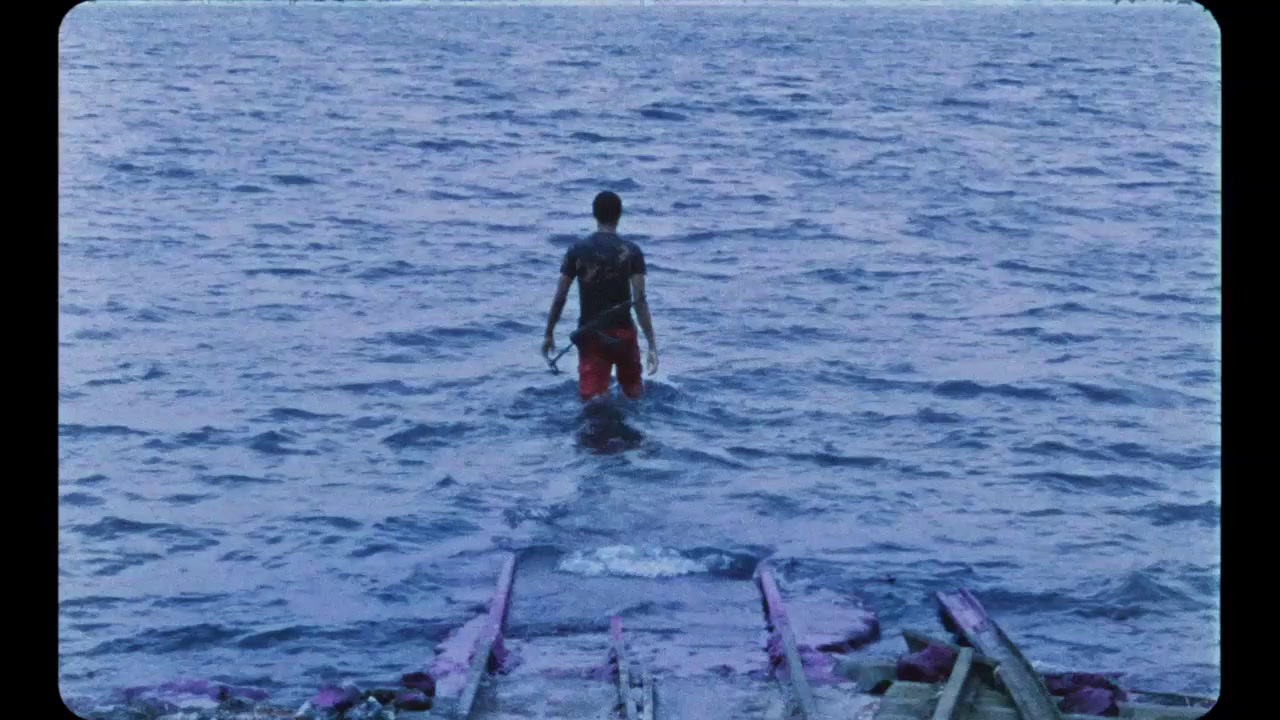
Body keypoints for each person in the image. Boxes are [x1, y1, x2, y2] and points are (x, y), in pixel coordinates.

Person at [542, 191, 658, 401]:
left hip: (591, 336)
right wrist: (651, 344)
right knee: (632, 395)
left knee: (592, 403)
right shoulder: (632, 251)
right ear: (619, 215)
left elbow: (561, 296)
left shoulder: (577, 250)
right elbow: (640, 302)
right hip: (624, 335)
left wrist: (549, 333)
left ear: (594, 215)